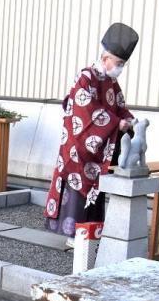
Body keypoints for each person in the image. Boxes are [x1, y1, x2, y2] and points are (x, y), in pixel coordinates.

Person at [44, 23, 139, 245]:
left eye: (122, 64)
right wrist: (117, 123)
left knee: (97, 190)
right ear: (106, 58)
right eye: (118, 63)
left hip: (100, 145)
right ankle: (74, 234)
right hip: (80, 144)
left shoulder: (112, 82)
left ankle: (93, 231)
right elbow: (85, 110)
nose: (120, 68)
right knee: (78, 186)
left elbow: (119, 107)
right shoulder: (86, 77)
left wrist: (130, 120)